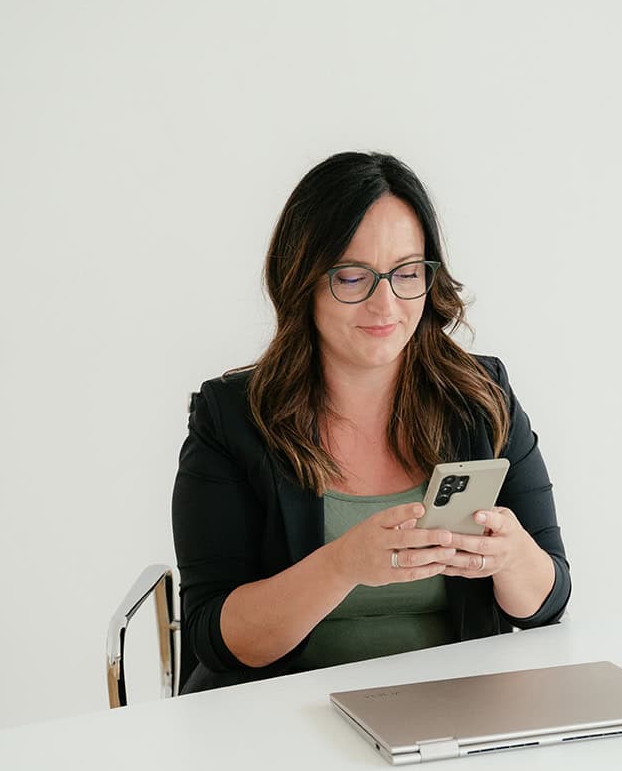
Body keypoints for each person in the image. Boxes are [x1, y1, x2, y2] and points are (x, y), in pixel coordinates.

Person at [171, 151, 570, 693]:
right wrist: (341, 565)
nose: (386, 305)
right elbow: (212, 638)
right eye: (354, 276)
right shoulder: (233, 419)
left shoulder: (479, 397)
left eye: (407, 273)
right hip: (281, 723)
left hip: (454, 712)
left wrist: (510, 557)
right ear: (302, 281)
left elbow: (547, 604)